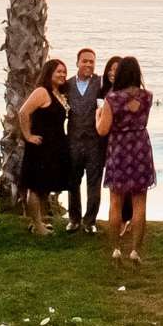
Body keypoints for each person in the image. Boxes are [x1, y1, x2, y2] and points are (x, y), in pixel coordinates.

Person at [98, 55, 155, 263]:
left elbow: (103, 130)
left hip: (119, 149)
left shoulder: (112, 99)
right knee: (140, 203)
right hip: (140, 148)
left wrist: (98, 117)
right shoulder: (147, 96)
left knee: (115, 202)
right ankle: (135, 251)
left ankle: (115, 248)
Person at [16, 57, 71, 235]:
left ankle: (39, 221)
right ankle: (37, 225)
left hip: (55, 146)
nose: (62, 74)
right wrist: (27, 135)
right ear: (49, 73)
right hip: (40, 145)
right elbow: (23, 112)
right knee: (36, 185)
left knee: (45, 186)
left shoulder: (58, 93)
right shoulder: (42, 91)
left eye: (64, 71)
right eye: (59, 71)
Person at [64, 49, 106, 234]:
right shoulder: (67, 85)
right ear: (77, 62)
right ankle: (74, 219)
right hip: (73, 140)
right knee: (73, 182)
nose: (88, 65)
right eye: (85, 61)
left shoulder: (100, 83)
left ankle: (90, 221)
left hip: (94, 141)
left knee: (94, 182)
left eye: (91, 62)